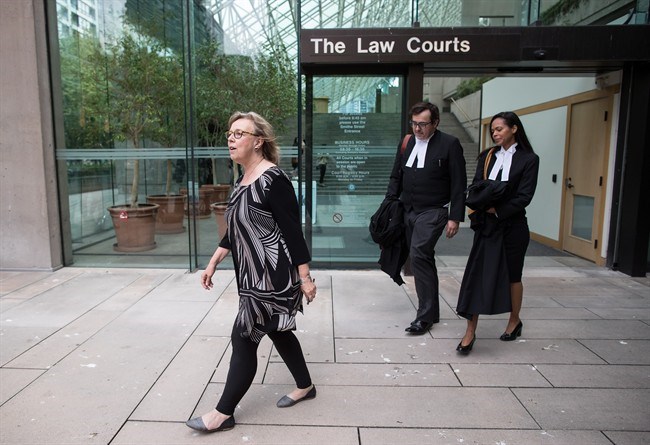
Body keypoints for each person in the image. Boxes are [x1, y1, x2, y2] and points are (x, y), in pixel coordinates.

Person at [186, 112, 317, 433]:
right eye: (230, 133)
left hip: (273, 276)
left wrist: (305, 278)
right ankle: (306, 386)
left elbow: (292, 232)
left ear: (258, 142)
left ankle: (223, 413)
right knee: (278, 330)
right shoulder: (243, 179)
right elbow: (237, 228)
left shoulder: (274, 180)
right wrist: (215, 260)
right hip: (250, 276)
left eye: (239, 133)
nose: (231, 139)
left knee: (243, 336)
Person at [455, 111, 539, 355]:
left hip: (513, 226)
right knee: (477, 275)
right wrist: (483, 205)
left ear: (514, 129)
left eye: (500, 128)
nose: (495, 133)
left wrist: (498, 209)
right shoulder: (487, 156)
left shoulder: (529, 159)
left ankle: (514, 320)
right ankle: (470, 332)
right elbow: (476, 186)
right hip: (487, 225)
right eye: (493, 130)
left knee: (513, 275)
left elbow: (525, 196)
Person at [386, 101, 466, 335]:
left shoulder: (450, 144)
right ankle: (433, 311)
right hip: (408, 209)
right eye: (414, 123)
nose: (417, 129)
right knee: (423, 257)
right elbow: (396, 175)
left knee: (419, 254)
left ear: (436, 123)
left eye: (423, 124)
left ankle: (424, 317)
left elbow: (459, 183)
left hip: (434, 210)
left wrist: (455, 217)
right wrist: (390, 201)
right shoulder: (407, 142)